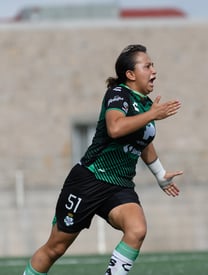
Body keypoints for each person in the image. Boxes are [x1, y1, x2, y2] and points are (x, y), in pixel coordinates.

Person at [23, 44, 183, 275]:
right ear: (130, 74)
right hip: (89, 179)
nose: (154, 71)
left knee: (136, 230)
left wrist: (160, 174)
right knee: (54, 249)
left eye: (153, 65)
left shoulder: (147, 104)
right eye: (147, 66)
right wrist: (152, 115)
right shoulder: (118, 94)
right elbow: (115, 128)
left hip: (119, 184)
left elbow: (143, 140)